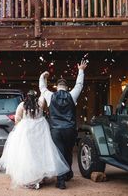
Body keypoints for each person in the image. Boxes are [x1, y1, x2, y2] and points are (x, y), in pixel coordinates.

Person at [0, 90, 69, 189]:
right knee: (39, 155)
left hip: (26, 135)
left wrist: (18, 130)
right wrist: (43, 84)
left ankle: (30, 179)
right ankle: (40, 178)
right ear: (35, 97)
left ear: (26, 97)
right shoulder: (40, 105)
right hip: (39, 134)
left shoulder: (22, 105)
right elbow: (42, 96)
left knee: (27, 156)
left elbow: (17, 119)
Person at [39, 59, 88, 190]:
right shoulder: (72, 95)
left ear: (57, 86)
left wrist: (43, 77)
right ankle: (67, 174)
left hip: (55, 130)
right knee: (68, 152)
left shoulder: (50, 96)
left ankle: (61, 181)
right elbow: (79, 84)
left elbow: (42, 88)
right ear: (66, 87)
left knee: (59, 154)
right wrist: (81, 70)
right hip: (70, 129)